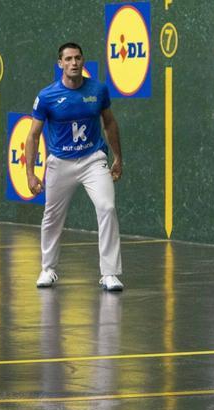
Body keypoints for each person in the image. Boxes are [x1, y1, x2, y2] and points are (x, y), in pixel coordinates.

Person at [25, 42, 124, 291]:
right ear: (60, 64)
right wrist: (30, 173)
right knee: (52, 216)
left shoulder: (98, 90)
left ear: (83, 61)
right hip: (60, 163)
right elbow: (33, 135)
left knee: (107, 207)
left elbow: (110, 123)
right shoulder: (47, 96)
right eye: (68, 59)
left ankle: (109, 273)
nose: (73, 63)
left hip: (93, 159)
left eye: (78, 58)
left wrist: (117, 157)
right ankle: (48, 269)